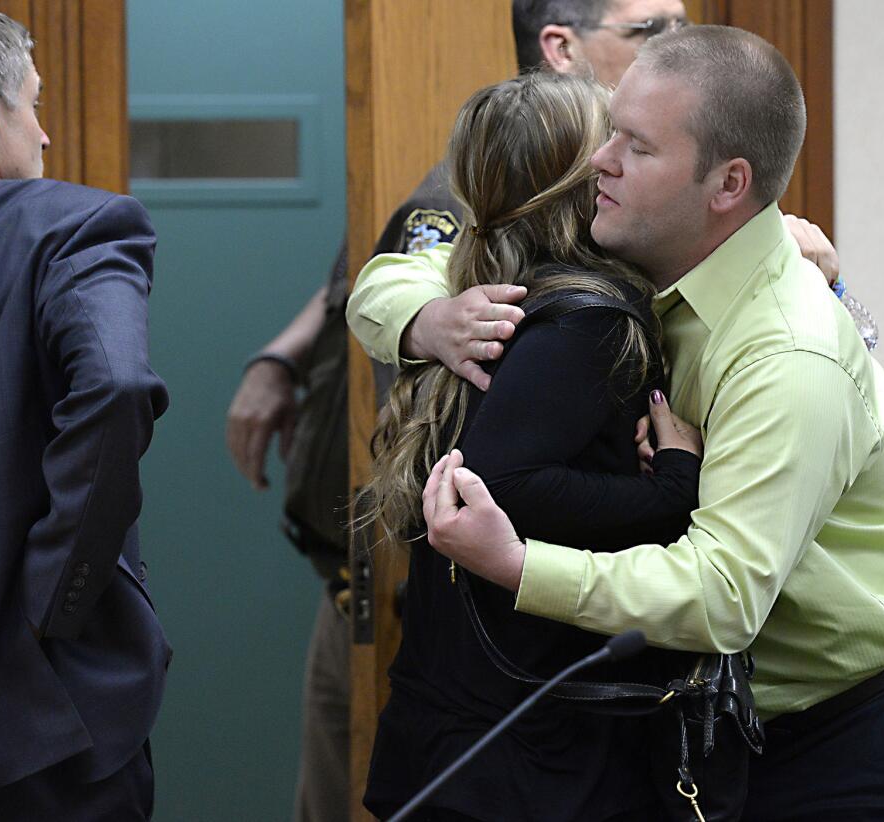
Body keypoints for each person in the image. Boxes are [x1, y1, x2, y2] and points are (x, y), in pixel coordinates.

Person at [353, 25, 884, 820]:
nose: (600, 161)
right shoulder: (645, 244)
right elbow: (392, 276)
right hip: (712, 719)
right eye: (610, 130)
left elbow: (721, 595)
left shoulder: (790, 353)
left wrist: (520, 565)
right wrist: (430, 319)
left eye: (636, 147)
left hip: (850, 730)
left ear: (726, 185)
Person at [223, 3, 697, 819]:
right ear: (563, 51)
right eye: (650, 28)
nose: (677, 46)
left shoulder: (577, 239)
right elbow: (391, 275)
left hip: (486, 683)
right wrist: (669, 492)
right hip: (494, 685)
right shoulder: (560, 289)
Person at [357, 70, 711, 822]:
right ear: (579, 179)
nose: (618, 159)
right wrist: (672, 488)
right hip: (528, 756)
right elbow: (500, 482)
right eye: (609, 143)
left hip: (461, 735)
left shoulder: (478, 291)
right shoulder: (588, 318)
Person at [0, 4, 170, 821]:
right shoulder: (71, 225)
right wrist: (56, 602)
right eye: (36, 104)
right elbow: (116, 387)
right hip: (34, 720)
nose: (47, 137)